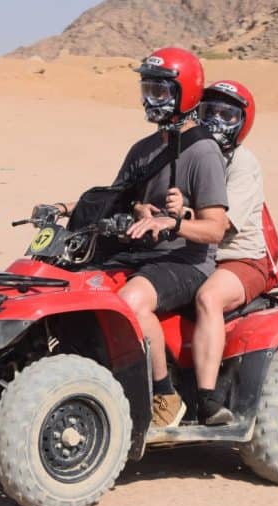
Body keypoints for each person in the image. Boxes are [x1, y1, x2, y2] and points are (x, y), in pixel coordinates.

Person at [37, 47, 229, 428]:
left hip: (185, 260)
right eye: (147, 90)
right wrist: (62, 208)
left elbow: (215, 228)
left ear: (184, 93)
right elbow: (115, 198)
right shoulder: (144, 149)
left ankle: (164, 397)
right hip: (138, 253)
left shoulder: (203, 151)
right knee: (75, 286)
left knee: (132, 301)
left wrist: (171, 225)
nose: (149, 99)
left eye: (160, 91)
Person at [168, 80, 269, 425]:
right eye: (209, 111)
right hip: (193, 251)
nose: (215, 120)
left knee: (208, 298)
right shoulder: (192, 152)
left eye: (227, 114)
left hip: (240, 258)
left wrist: (180, 217)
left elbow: (221, 225)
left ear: (242, 122)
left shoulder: (242, 164)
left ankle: (207, 400)